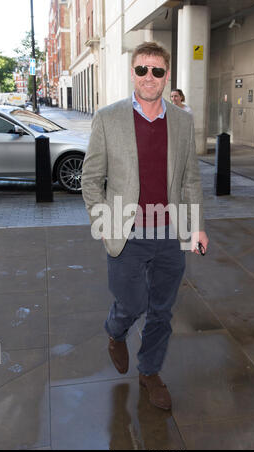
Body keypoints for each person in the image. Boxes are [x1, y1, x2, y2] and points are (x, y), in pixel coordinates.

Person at [81, 41, 208, 411]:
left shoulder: (182, 121)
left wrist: (197, 226)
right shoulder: (108, 118)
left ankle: (149, 371)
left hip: (169, 231)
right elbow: (91, 180)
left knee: (162, 310)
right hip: (126, 230)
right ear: (133, 73)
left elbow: (190, 179)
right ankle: (115, 331)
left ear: (166, 75)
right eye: (142, 69)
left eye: (156, 70)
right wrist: (101, 220)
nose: (148, 77)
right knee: (133, 301)